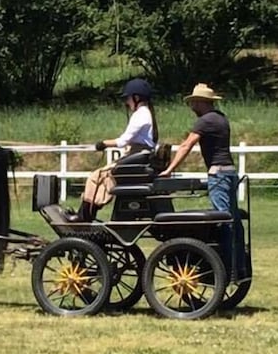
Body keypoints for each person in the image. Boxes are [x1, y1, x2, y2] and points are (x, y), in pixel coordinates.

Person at [158, 82, 246, 279]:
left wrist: (169, 169)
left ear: (201, 102)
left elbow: (186, 145)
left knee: (223, 221)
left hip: (219, 174)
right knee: (234, 221)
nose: (192, 108)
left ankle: (225, 267)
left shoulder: (205, 121)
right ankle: (239, 264)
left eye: (193, 103)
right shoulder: (222, 119)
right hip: (230, 173)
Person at [67, 78, 158, 222]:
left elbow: (122, 141)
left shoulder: (140, 115)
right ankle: (87, 213)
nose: (126, 102)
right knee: (102, 175)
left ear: (136, 97)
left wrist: (102, 144)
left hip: (137, 156)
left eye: (128, 98)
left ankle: (84, 215)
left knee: (97, 175)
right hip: (138, 156)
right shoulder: (146, 114)